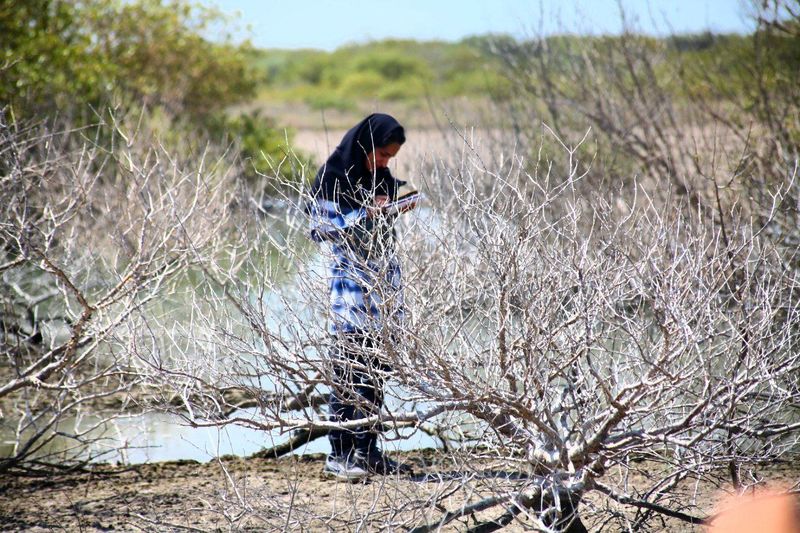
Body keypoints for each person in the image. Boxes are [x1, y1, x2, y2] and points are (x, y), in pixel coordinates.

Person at [307, 113, 418, 481]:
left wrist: (394, 206)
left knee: (376, 375)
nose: (385, 163)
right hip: (352, 294)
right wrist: (362, 215)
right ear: (364, 146)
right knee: (346, 375)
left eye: (390, 157)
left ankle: (368, 453)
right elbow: (320, 229)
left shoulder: (380, 177)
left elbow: (384, 222)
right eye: (381, 155)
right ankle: (339, 455)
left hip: (384, 293)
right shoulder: (331, 179)